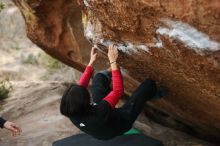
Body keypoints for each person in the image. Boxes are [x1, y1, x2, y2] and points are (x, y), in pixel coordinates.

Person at [60, 44, 166, 140]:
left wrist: (91, 61)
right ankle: (155, 93)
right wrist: (113, 62)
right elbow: (118, 91)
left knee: (99, 78)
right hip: (120, 123)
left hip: (102, 123)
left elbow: (80, 86)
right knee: (148, 85)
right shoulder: (100, 113)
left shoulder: (70, 110)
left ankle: (110, 72)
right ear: (84, 103)